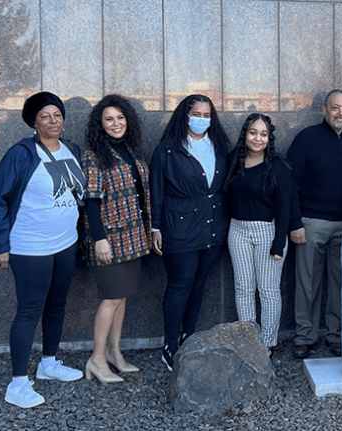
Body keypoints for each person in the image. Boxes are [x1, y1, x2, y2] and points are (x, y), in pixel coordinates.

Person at [0, 92, 85, 408]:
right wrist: (1, 246)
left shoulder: (72, 150)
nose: (53, 121)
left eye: (57, 114)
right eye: (45, 116)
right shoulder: (22, 154)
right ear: (34, 122)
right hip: (31, 247)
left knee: (57, 304)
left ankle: (49, 363)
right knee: (29, 310)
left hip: (65, 243)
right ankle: (17, 383)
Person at [150, 94, 230, 371]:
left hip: (212, 227)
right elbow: (156, 190)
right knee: (179, 285)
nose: (201, 120)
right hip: (179, 227)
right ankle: (170, 344)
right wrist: (155, 226)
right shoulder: (168, 150)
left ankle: (189, 337)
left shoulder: (219, 146)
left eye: (207, 115)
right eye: (196, 113)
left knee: (198, 284)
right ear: (184, 115)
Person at [81, 95, 150, 383]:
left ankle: (114, 352)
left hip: (133, 237)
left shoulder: (132, 150)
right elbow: (91, 201)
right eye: (109, 119)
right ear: (100, 124)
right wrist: (99, 239)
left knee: (121, 298)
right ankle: (97, 359)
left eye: (120, 118)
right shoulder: (93, 155)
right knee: (111, 298)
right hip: (108, 239)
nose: (116, 123)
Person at [287, 90, 342, 359]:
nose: (341, 113)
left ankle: (335, 334)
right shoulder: (306, 139)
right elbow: (290, 184)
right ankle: (305, 335)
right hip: (311, 222)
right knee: (308, 283)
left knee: (341, 283)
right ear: (324, 109)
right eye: (335, 108)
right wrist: (295, 222)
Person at [225, 113, 292, 350]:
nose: (257, 138)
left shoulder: (278, 166)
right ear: (245, 134)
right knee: (243, 289)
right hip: (238, 231)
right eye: (253, 132)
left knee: (268, 291)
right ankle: (249, 342)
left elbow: (285, 207)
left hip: (268, 232)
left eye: (263, 134)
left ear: (269, 138)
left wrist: (278, 243)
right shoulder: (234, 160)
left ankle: (268, 344)